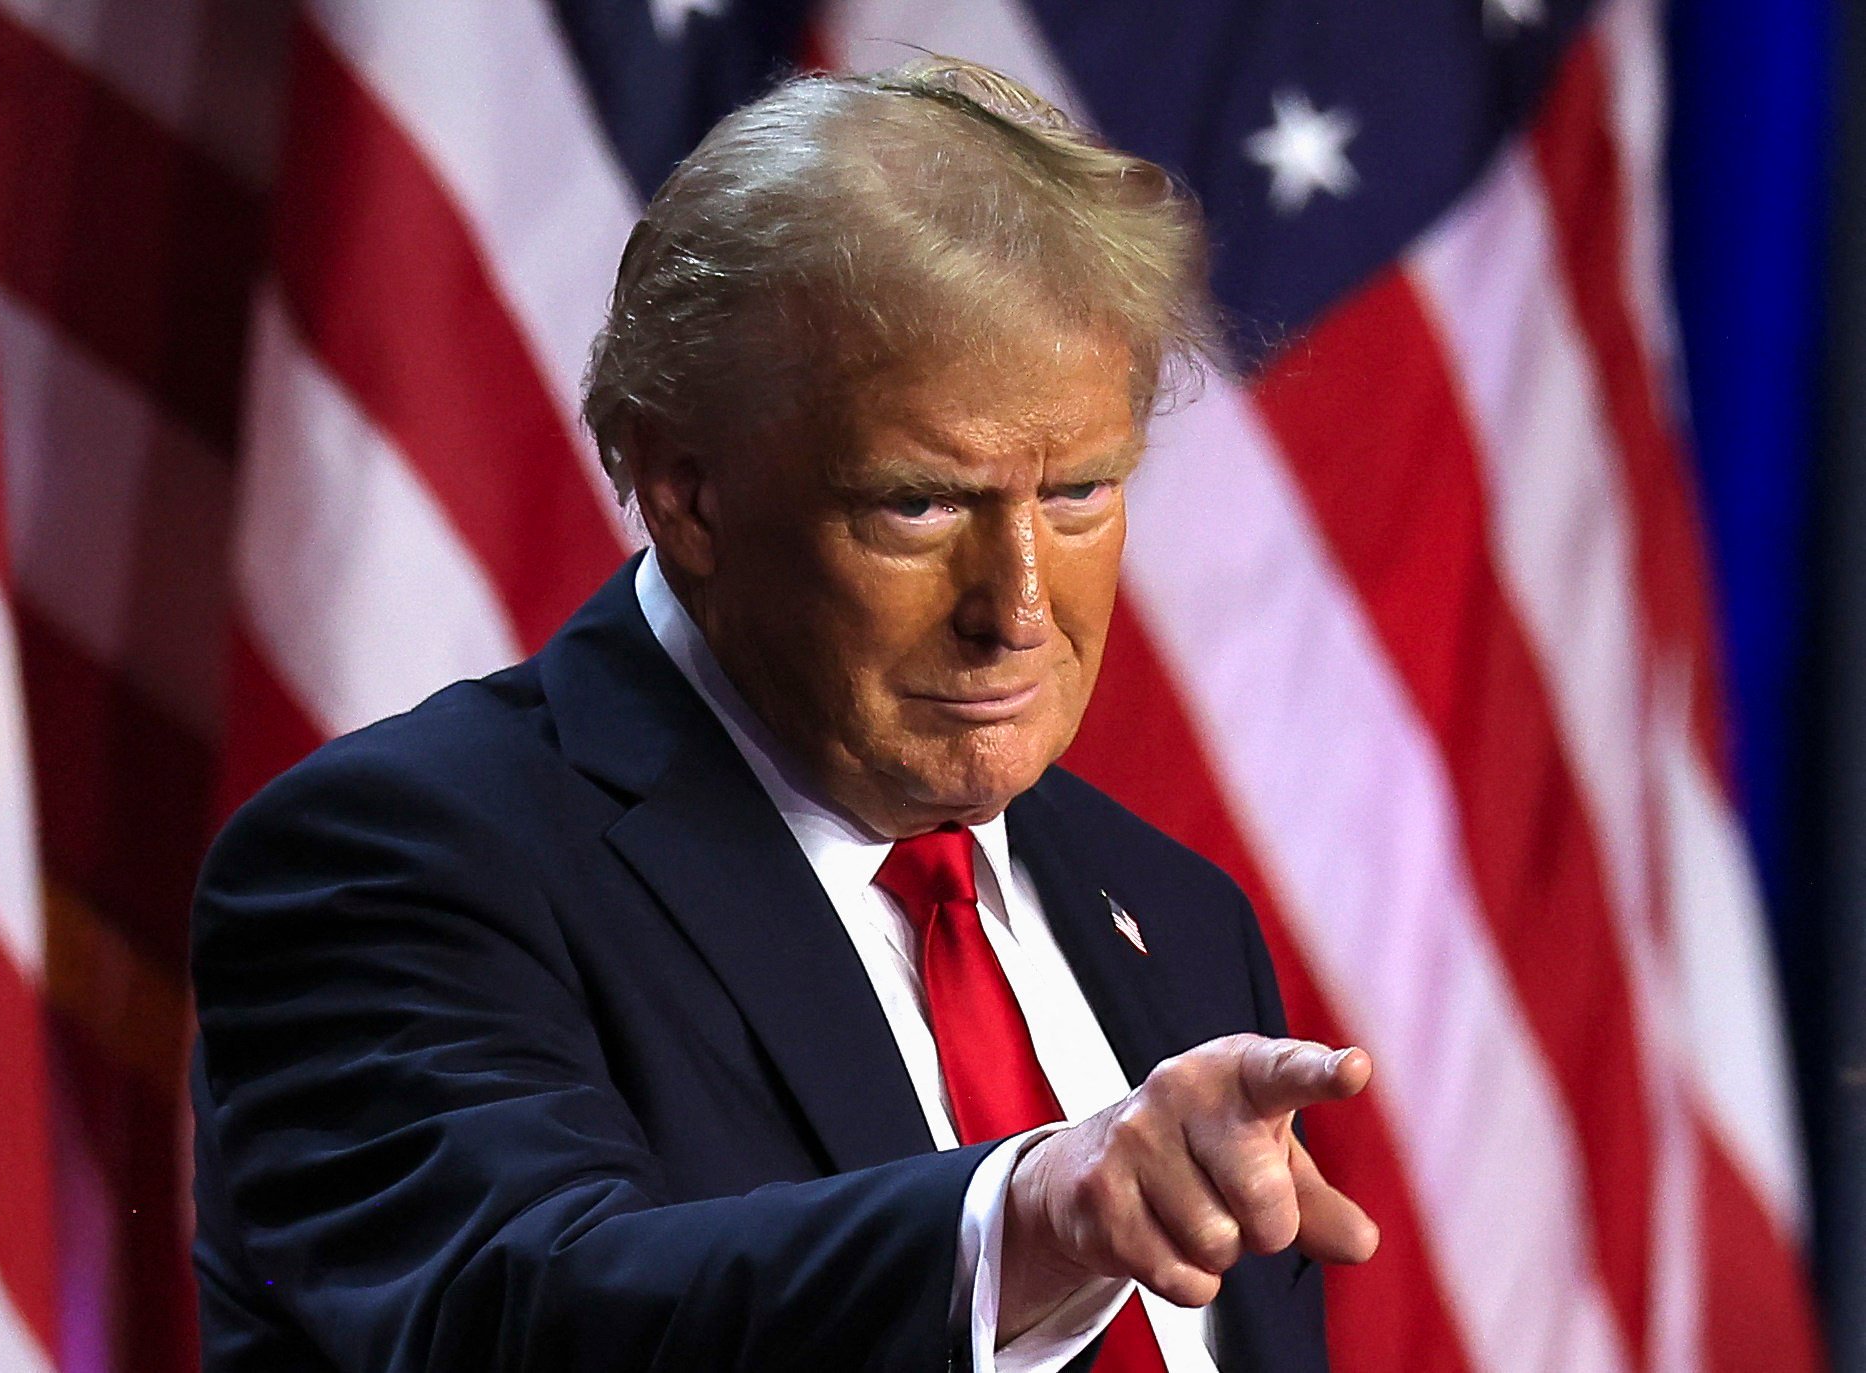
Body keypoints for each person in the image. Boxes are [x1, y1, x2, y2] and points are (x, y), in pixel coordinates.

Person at [190, 57, 1378, 1373]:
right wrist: (1022, 1217)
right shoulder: (396, 855)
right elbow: (517, 1316)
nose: (1017, 608)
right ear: (685, 492)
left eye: (1078, 494)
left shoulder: (1174, 914)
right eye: (919, 505)